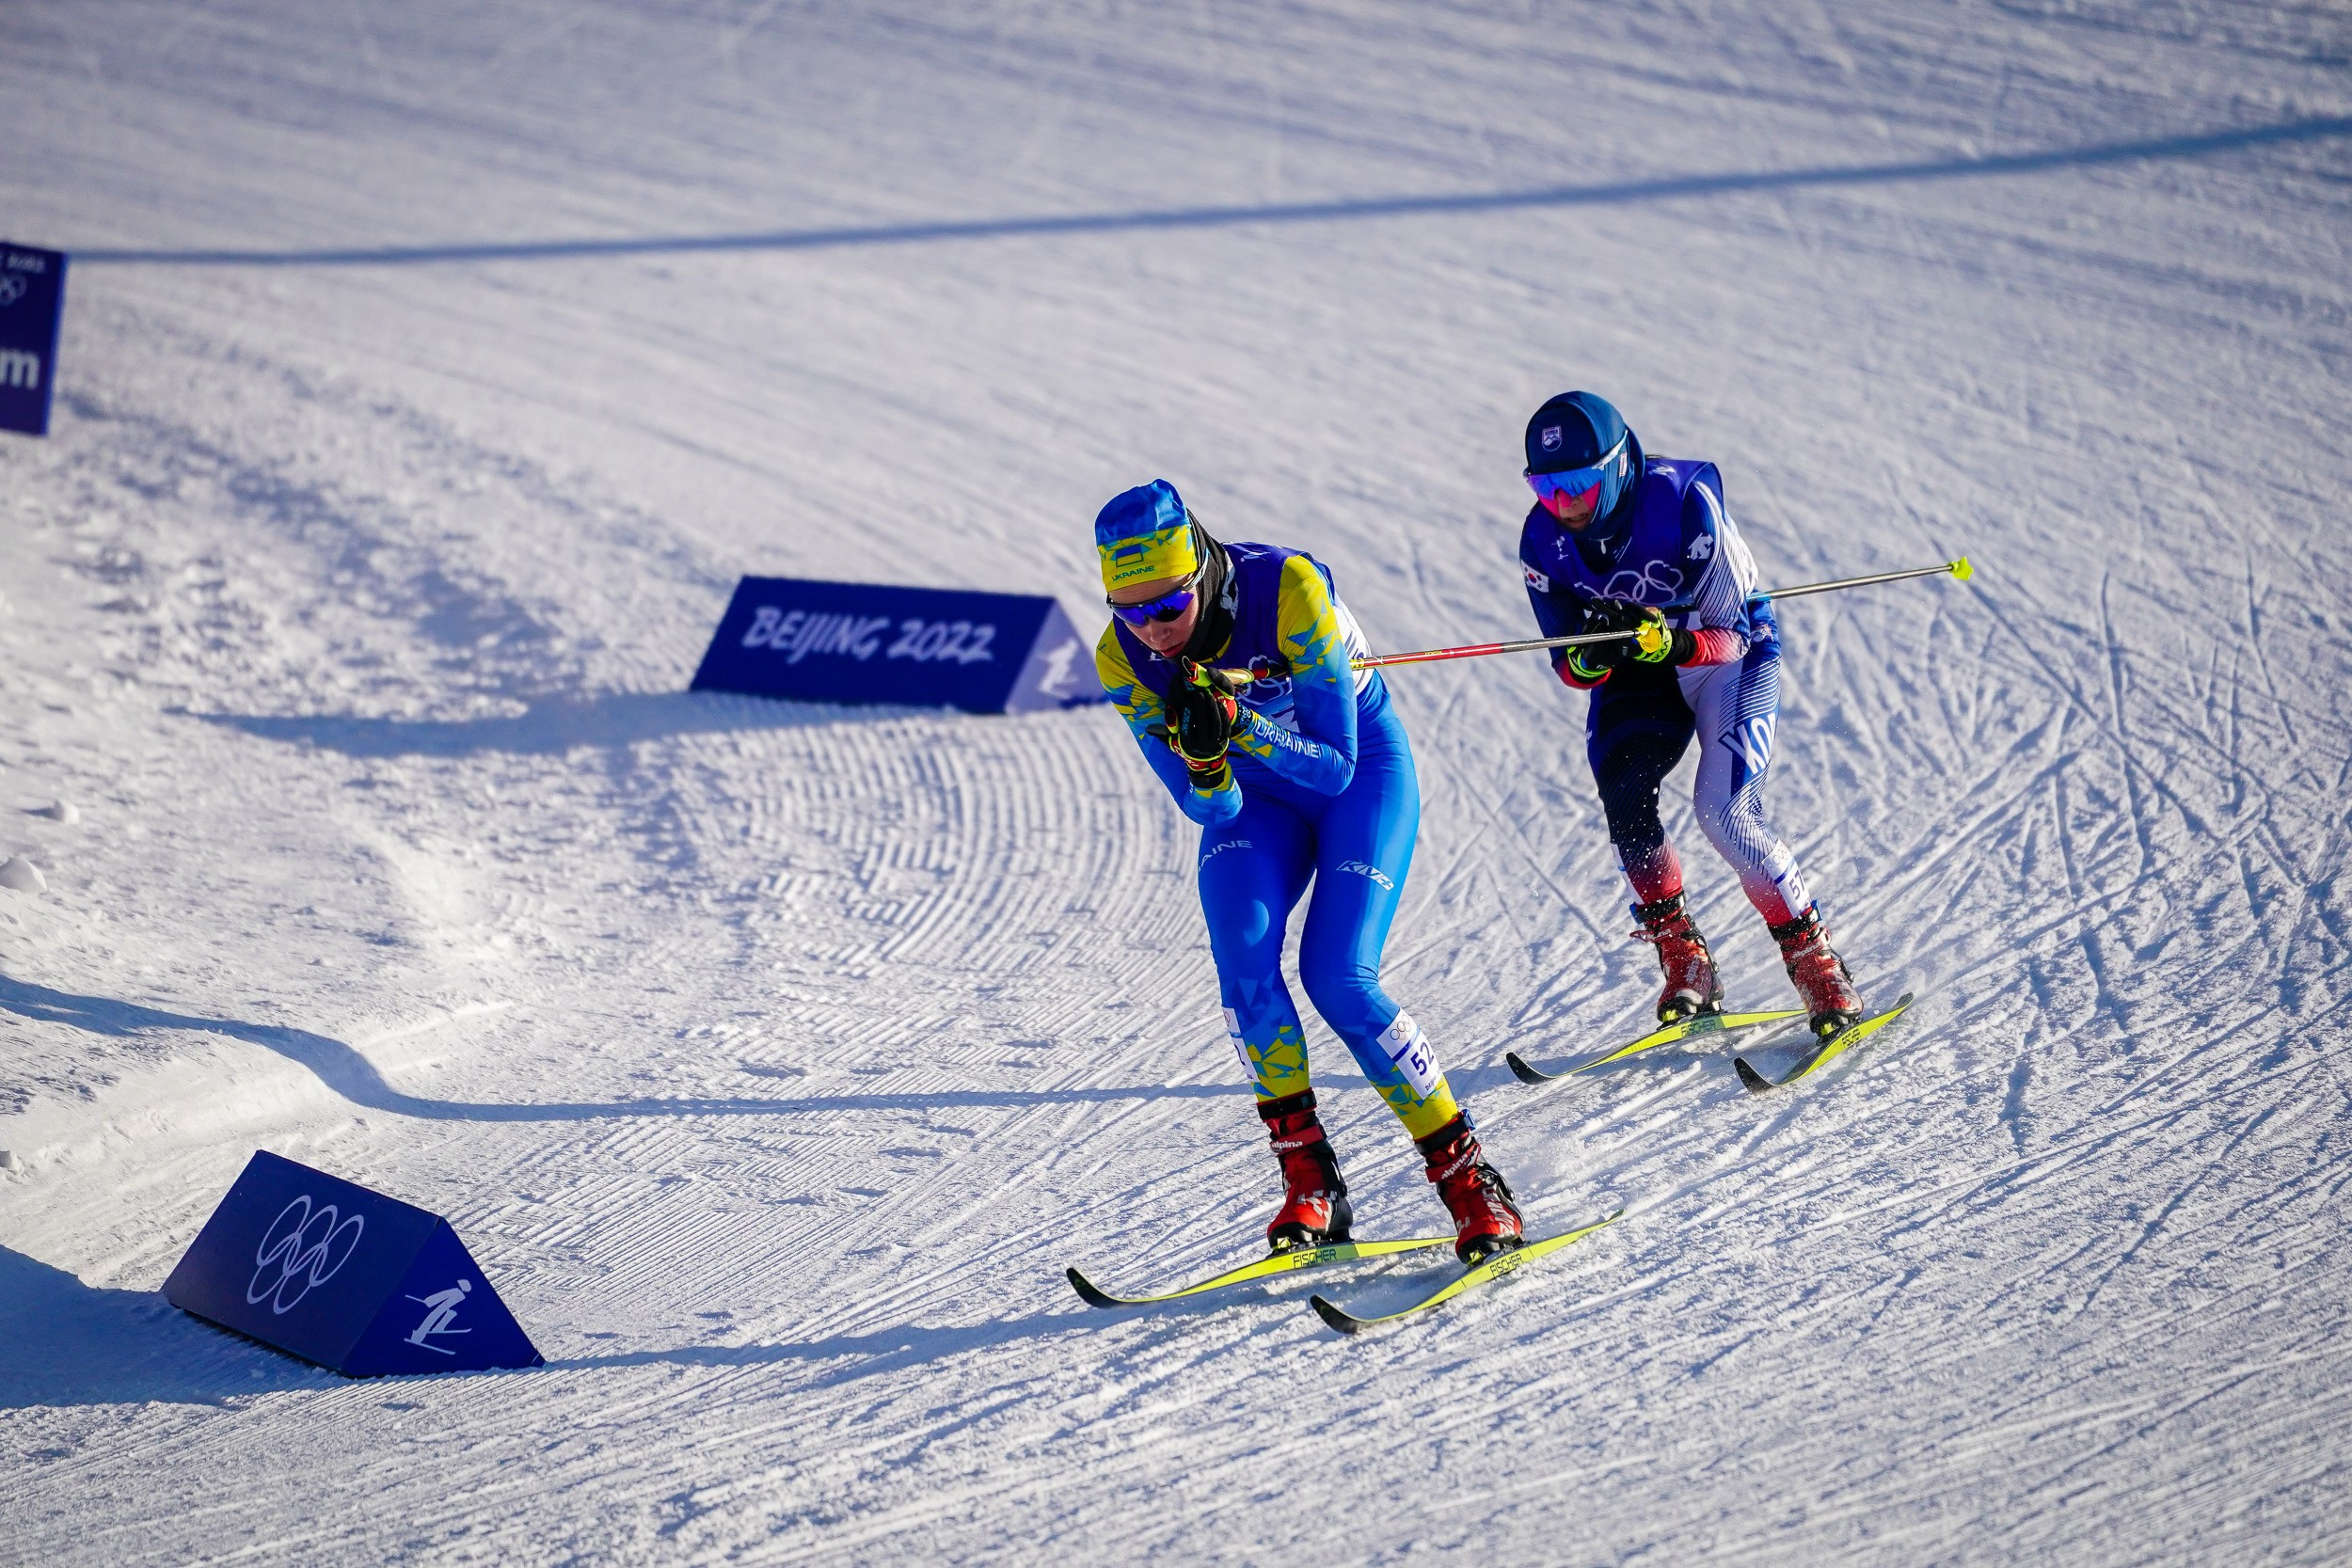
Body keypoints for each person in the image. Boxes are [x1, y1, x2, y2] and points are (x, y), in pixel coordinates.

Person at [1093, 479, 1524, 1262]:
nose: (1152, 630)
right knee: (1243, 964)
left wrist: (1242, 723)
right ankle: (1310, 1180)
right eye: (1131, 612)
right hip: (1259, 803)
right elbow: (1209, 809)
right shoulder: (1121, 658)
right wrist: (1207, 762)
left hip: (1359, 781)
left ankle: (1471, 1182)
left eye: (1167, 605)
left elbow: (1334, 766)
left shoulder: (1287, 589)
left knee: (1338, 977)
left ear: (1202, 573)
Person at [1515, 391, 1867, 1037]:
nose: (1564, 504)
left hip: (1726, 657)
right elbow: (1568, 666)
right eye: (1546, 487)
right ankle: (1685, 956)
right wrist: (1599, 651)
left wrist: (1672, 644)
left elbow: (1734, 634)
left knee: (1723, 812)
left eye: (1579, 484)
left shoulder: (1683, 501)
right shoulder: (1542, 542)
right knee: (1624, 794)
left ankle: (1813, 959)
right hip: (1643, 668)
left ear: (1617, 468)